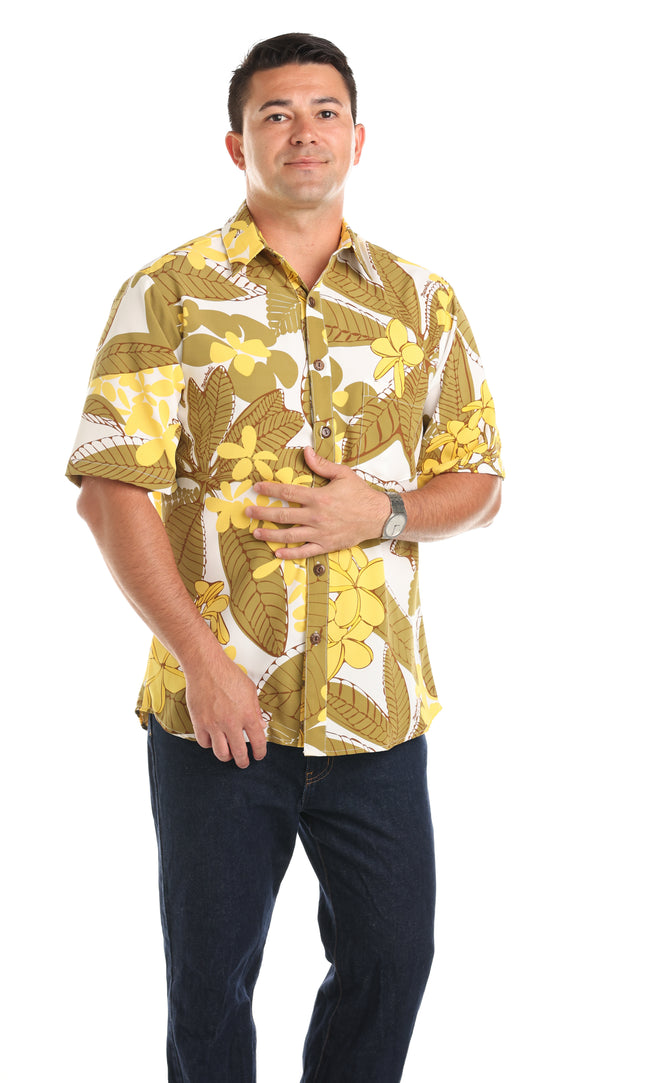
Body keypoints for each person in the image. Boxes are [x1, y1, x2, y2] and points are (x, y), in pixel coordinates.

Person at [67, 32, 504, 1083]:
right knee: (209, 985)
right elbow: (109, 490)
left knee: (392, 959)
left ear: (358, 137)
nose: (302, 131)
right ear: (237, 144)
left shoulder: (423, 301)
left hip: (375, 707)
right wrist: (203, 664)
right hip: (220, 710)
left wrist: (382, 510)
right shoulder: (168, 292)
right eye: (275, 113)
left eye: (322, 111)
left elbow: (480, 482)